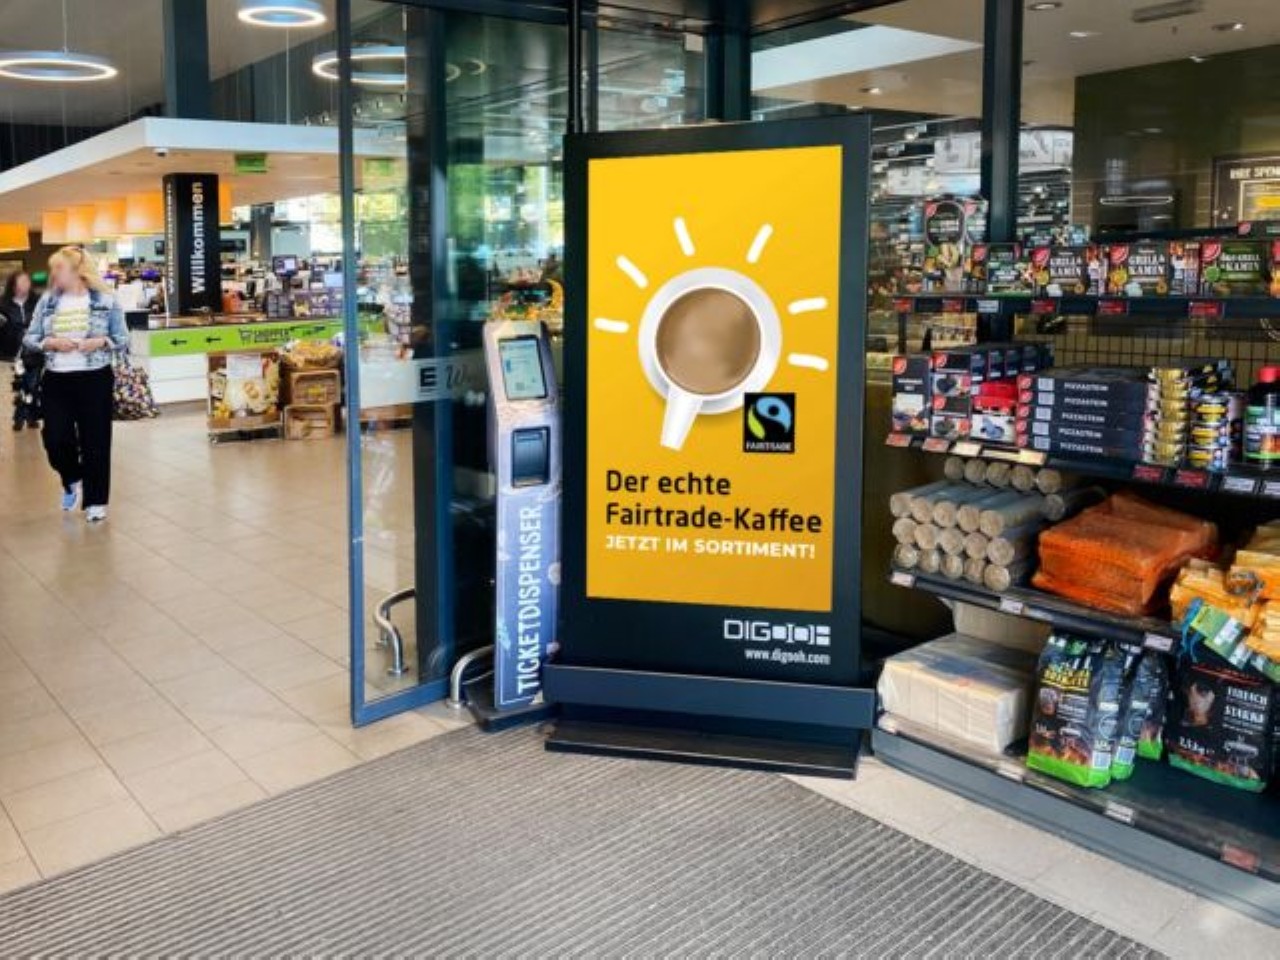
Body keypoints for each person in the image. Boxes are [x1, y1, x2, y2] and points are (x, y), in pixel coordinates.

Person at [23, 247, 127, 523]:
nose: (53, 273)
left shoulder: (106, 300)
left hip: (95, 377)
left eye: (59, 268)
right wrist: (51, 342)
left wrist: (100, 341)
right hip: (56, 378)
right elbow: (30, 338)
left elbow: (122, 338)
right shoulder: (47, 301)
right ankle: (72, 477)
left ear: (77, 270)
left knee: (96, 441)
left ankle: (96, 501)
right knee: (55, 439)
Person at [0, 271, 42, 430]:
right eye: (21, 281)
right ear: (13, 284)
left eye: (27, 281)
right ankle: (26, 415)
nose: (25, 285)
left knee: (32, 384)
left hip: (33, 350)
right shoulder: (3, 304)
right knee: (19, 384)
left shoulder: (37, 302)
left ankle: (24, 416)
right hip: (11, 352)